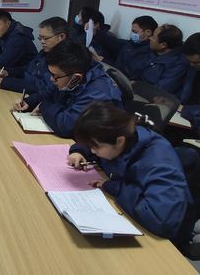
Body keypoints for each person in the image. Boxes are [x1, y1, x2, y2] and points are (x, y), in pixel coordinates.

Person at [67, 101, 193, 245]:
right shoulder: (123, 135)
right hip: (130, 213)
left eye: (95, 147)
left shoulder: (159, 162)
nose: (92, 151)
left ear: (119, 141)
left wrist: (116, 187)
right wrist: (80, 151)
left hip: (164, 239)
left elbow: (161, 220)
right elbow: (99, 142)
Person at [13, 40, 122, 138]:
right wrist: (28, 102)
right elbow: (48, 93)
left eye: (55, 76)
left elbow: (66, 125)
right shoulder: (69, 76)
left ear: (76, 78)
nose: (51, 79)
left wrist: (43, 106)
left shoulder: (98, 92)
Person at [0, 16, 67, 93]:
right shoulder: (44, 53)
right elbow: (28, 69)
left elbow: (42, 87)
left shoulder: (63, 60)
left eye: (45, 38)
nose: (42, 42)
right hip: (24, 90)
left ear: (61, 37)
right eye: (40, 38)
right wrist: (8, 72)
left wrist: (5, 83)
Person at [140, 24, 188, 97]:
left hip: (157, 98)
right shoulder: (152, 50)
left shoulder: (179, 64)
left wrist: (137, 89)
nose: (150, 38)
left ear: (163, 45)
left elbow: (160, 89)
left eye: (153, 37)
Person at [115, 15, 157, 80]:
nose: (132, 34)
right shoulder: (129, 44)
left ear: (148, 32)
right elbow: (118, 63)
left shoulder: (151, 51)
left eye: (135, 32)